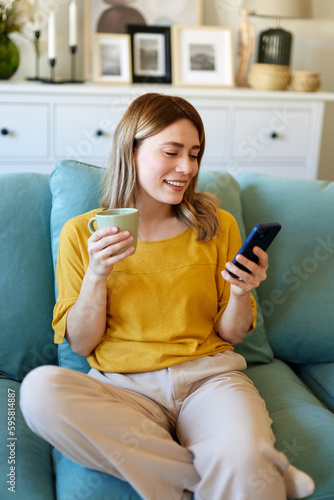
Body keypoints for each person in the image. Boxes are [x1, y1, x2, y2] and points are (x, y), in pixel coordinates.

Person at [20, 93, 315, 500]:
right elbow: (83, 343)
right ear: (132, 151)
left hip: (208, 378)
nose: (187, 168)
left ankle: (239, 468)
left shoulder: (216, 225)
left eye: (194, 154)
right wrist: (97, 274)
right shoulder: (82, 233)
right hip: (123, 387)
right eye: (172, 152)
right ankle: (245, 474)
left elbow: (231, 335)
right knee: (39, 391)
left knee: (241, 450)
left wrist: (241, 292)